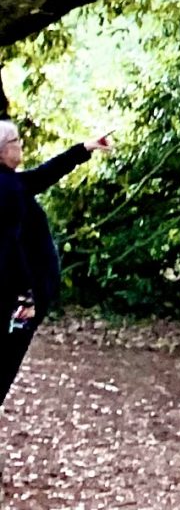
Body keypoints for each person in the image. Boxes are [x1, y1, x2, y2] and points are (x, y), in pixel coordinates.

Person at [0, 120, 108, 409]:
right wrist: (26, 297)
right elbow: (9, 249)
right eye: (16, 142)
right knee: (7, 359)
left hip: (16, 295)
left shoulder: (11, 183)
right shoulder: (7, 190)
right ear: (1, 151)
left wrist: (83, 149)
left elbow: (42, 176)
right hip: (15, 298)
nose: (20, 146)